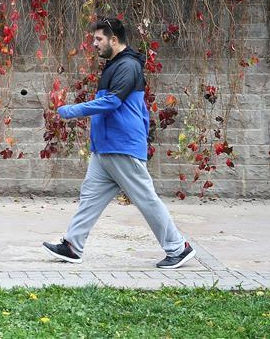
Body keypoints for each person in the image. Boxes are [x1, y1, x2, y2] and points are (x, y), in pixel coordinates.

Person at [43, 17, 197, 269]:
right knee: (90, 198)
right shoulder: (114, 65)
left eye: (99, 39)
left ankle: (178, 248)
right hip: (104, 149)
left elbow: (112, 102)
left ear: (114, 40)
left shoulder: (128, 66)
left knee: (146, 199)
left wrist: (71, 110)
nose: (94, 44)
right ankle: (72, 246)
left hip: (122, 146)